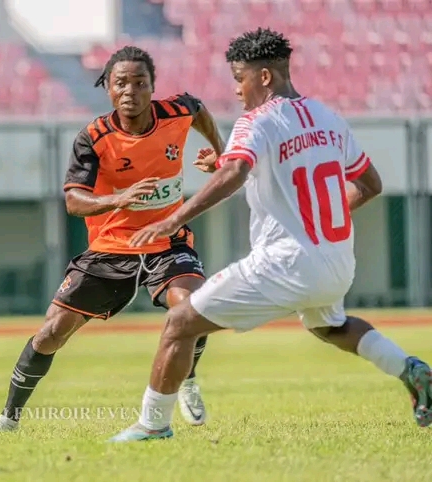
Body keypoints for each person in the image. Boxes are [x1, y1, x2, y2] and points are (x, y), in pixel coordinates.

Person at [110, 27, 432, 442]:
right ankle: (411, 369)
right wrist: (313, 218)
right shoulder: (329, 118)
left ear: (264, 77)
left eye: (239, 79)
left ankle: (152, 424)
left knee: (180, 322)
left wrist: (173, 219)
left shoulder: (255, 121)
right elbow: (371, 185)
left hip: (286, 261)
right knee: (330, 326)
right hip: (336, 261)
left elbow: (237, 171)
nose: (237, 90)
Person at [0, 45, 226, 434]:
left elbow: (198, 109)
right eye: (120, 83)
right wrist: (118, 199)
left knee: (192, 307)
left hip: (167, 241)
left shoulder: (177, 111)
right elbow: (74, 201)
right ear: (107, 88)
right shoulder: (93, 137)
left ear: (152, 87)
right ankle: (9, 418)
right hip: (111, 248)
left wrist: (220, 152)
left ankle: (187, 379)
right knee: (51, 332)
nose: (130, 90)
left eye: (139, 83)